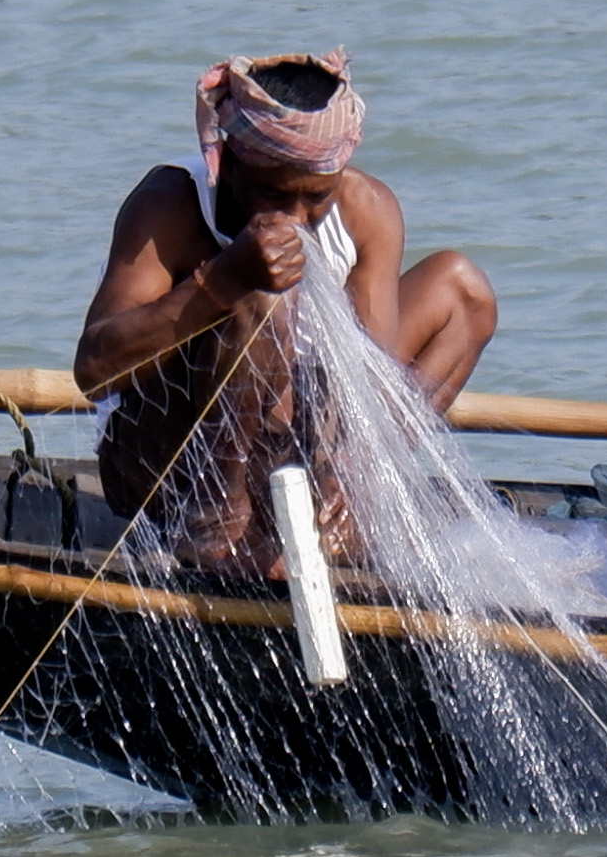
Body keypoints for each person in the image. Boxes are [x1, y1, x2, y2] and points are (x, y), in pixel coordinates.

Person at [71, 54, 499, 568]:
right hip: (167, 460)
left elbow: (369, 377)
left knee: (463, 293)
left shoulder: (368, 211)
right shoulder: (170, 205)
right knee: (264, 296)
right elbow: (95, 372)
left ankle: (350, 497)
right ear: (225, 164)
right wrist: (222, 281)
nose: (295, 219)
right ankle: (220, 512)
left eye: (316, 198)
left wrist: (347, 470)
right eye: (272, 194)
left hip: (288, 437)